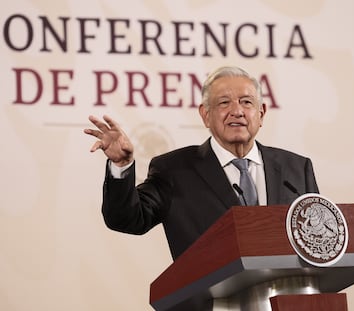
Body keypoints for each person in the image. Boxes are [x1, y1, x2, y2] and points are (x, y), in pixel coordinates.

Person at [84, 66, 319, 309]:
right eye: (224, 103)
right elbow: (127, 219)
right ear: (205, 115)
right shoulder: (174, 170)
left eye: (246, 102)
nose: (236, 111)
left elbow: (318, 244)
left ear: (261, 112)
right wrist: (121, 166)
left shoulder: (297, 168)